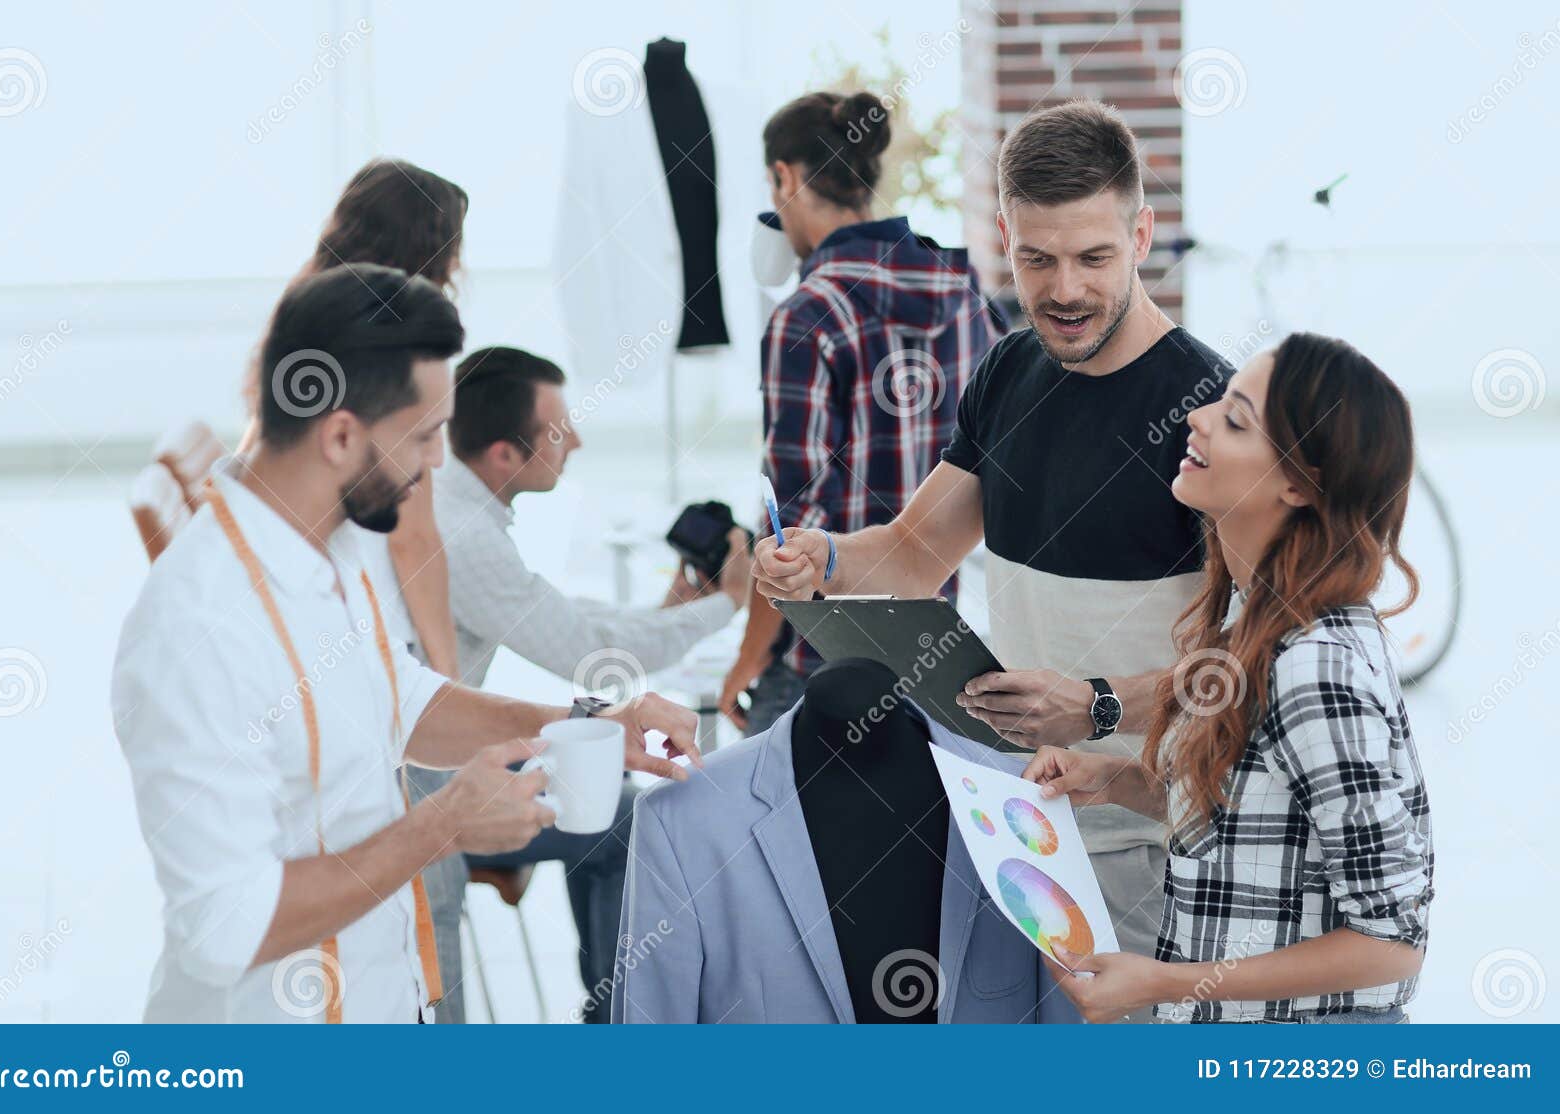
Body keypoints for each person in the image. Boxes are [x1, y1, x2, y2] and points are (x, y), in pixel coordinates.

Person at [112, 264, 698, 1023]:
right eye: (425, 437)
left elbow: (403, 699)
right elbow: (227, 927)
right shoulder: (198, 626)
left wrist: (580, 726)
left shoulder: (338, 544)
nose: (435, 464)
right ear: (341, 433)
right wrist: (442, 824)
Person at [751, 99, 1232, 1012]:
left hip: (1149, 839)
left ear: (1142, 233)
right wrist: (820, 560)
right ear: (1003, 235)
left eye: (1095, 257)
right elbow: (911, 551)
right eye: (1036, 258)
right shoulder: (1010, 370)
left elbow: (1254, 667)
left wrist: (1093, 704)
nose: (1065, 291)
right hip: (1017, 822)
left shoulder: (1211, 411)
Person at [1021, 333, 1434, 1024]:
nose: (1198, 418)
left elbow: (1393, 942)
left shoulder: (1315, 667)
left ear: (1299, 483)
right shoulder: (1256, 619)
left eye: (1236, 419)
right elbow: (1269, 833)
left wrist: (1164, 982)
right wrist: (1116, 782)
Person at [408, 345, 751, 1023]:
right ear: (506, 454)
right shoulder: (464, 536)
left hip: (429, 756)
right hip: (422, 784)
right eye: (560, 431)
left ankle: (610, 1015)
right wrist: (729, 603)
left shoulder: (450, 502)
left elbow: (564, 617)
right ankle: (619, 1022)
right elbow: (592, 653)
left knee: (611, 807)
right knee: (626, 823)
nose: (580, 440)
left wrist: (674, 617)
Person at [719, 89, 1001, 734]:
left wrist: (743, 662)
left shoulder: (806, 316)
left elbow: (789, 531)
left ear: (783, 177)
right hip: (931, 649)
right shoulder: (963, 292)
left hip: (823, 656)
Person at [239, 157, 468, 681]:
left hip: (303, 606)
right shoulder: (401, 353)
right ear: (428, 254)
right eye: (452, 252)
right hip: (371, 629)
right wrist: (449, 674)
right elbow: (414, 539)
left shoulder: (303, 316)